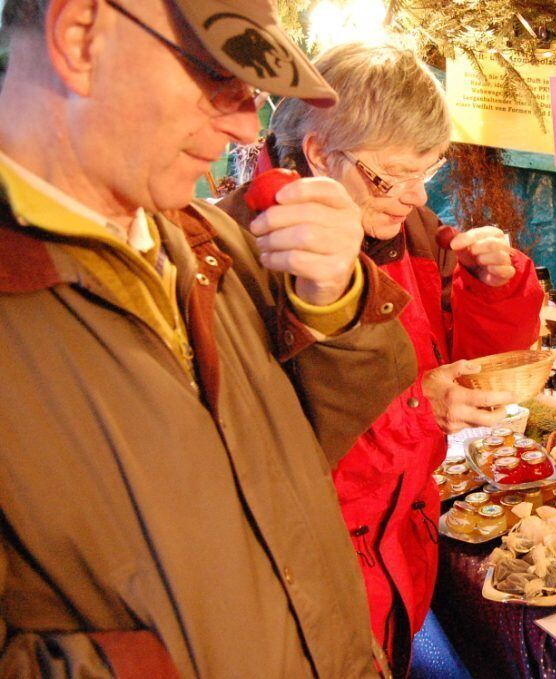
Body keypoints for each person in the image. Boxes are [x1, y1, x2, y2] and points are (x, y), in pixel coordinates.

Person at [0, 1, 417, 677]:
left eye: (251, 92)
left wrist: (336, 298)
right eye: (216, 75)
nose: (244, 125)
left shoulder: (213, 238)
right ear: (79, 37)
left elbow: (313, 450)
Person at [218, 41, 546, 675]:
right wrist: (423, 408)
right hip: (319, 571)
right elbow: (278, 456)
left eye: (430, 170)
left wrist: (493, 287)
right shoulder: (243, 258)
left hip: (401, 544)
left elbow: (481, 371)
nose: (417, 197)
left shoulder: (406, 231)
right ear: (317, 151)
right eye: (392, 175)